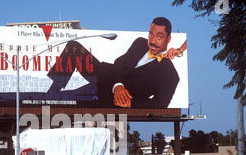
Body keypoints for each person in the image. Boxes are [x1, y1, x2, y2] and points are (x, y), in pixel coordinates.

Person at [46, 17, 187, 108]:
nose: (153, 40)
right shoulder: (140, 43)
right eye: (151, 34)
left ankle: (51, 101)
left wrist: (130, 102)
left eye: (159, 36)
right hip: (105, 75)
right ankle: (51, 92)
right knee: (73, 47)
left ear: (168, 39)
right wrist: (118, 85)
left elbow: (160, 104)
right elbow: (120, 63)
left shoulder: (170, 75)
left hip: (113, 100)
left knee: (68, 99)